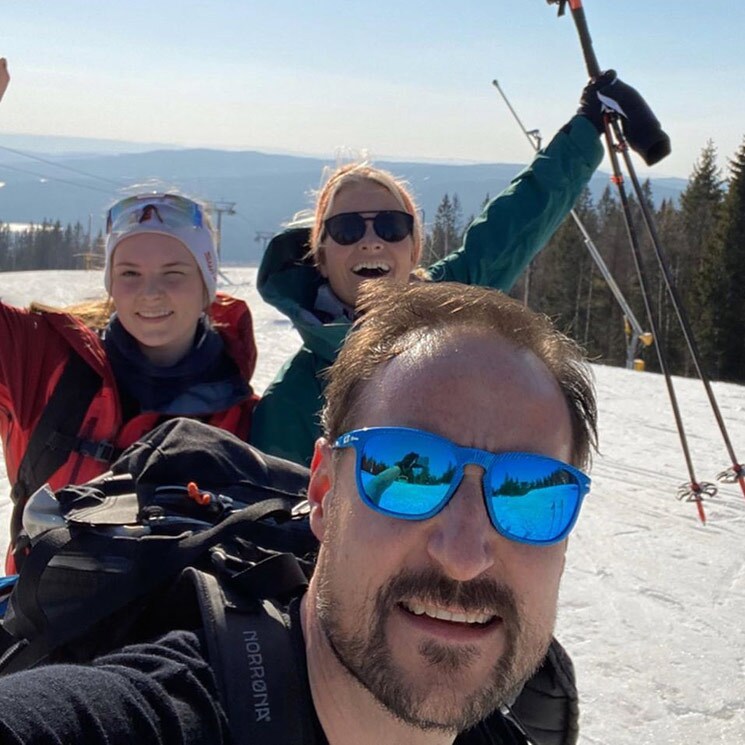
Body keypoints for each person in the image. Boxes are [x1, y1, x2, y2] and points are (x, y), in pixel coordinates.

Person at [0, 280, 597, 744]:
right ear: (320, 493)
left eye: (531, 491)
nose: (465, 556)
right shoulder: (159, 716)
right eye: (406, 470)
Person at [249, 71, 657, 467]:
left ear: (413, 249)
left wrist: (587, 126)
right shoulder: (292, 401)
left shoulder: (450, 304)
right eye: (347, 228)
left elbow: (518, 221)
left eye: (392, 227)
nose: (370, 241)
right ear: (320, 254)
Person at [0, 63, 259, 571]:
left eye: (174, 272)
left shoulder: (244, 416)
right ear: (110, 282)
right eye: (131, 273)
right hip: (40, 630)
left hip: (174, 642)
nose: (151, 293)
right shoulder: (44, 360)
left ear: (208, 284)